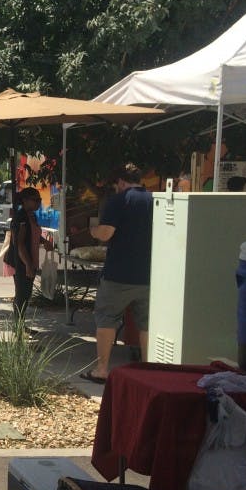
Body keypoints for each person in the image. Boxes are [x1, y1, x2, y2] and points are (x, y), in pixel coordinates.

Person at [83, 163, 154, 384]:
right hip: (150, 274)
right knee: (147, 324)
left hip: (119, 274)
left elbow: (105, 234)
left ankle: (102, 369)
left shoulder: (119, 200)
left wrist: (93, 229)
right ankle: (149, 368)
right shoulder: (155, 199)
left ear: (121, 182)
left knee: (107, 318)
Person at [8, 187, 53, 330]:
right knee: (22, 294)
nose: (39, 203)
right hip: (21, 261)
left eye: (40, 200)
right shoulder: (21, 217)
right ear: (25, 201)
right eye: (36, 200)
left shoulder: (31, 215)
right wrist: (27, 265)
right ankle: (19, 327)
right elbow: (19, 243)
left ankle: (21, 325)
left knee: (26, 294)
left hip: (30, 260)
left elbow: (32, 234)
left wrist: (44, 241)